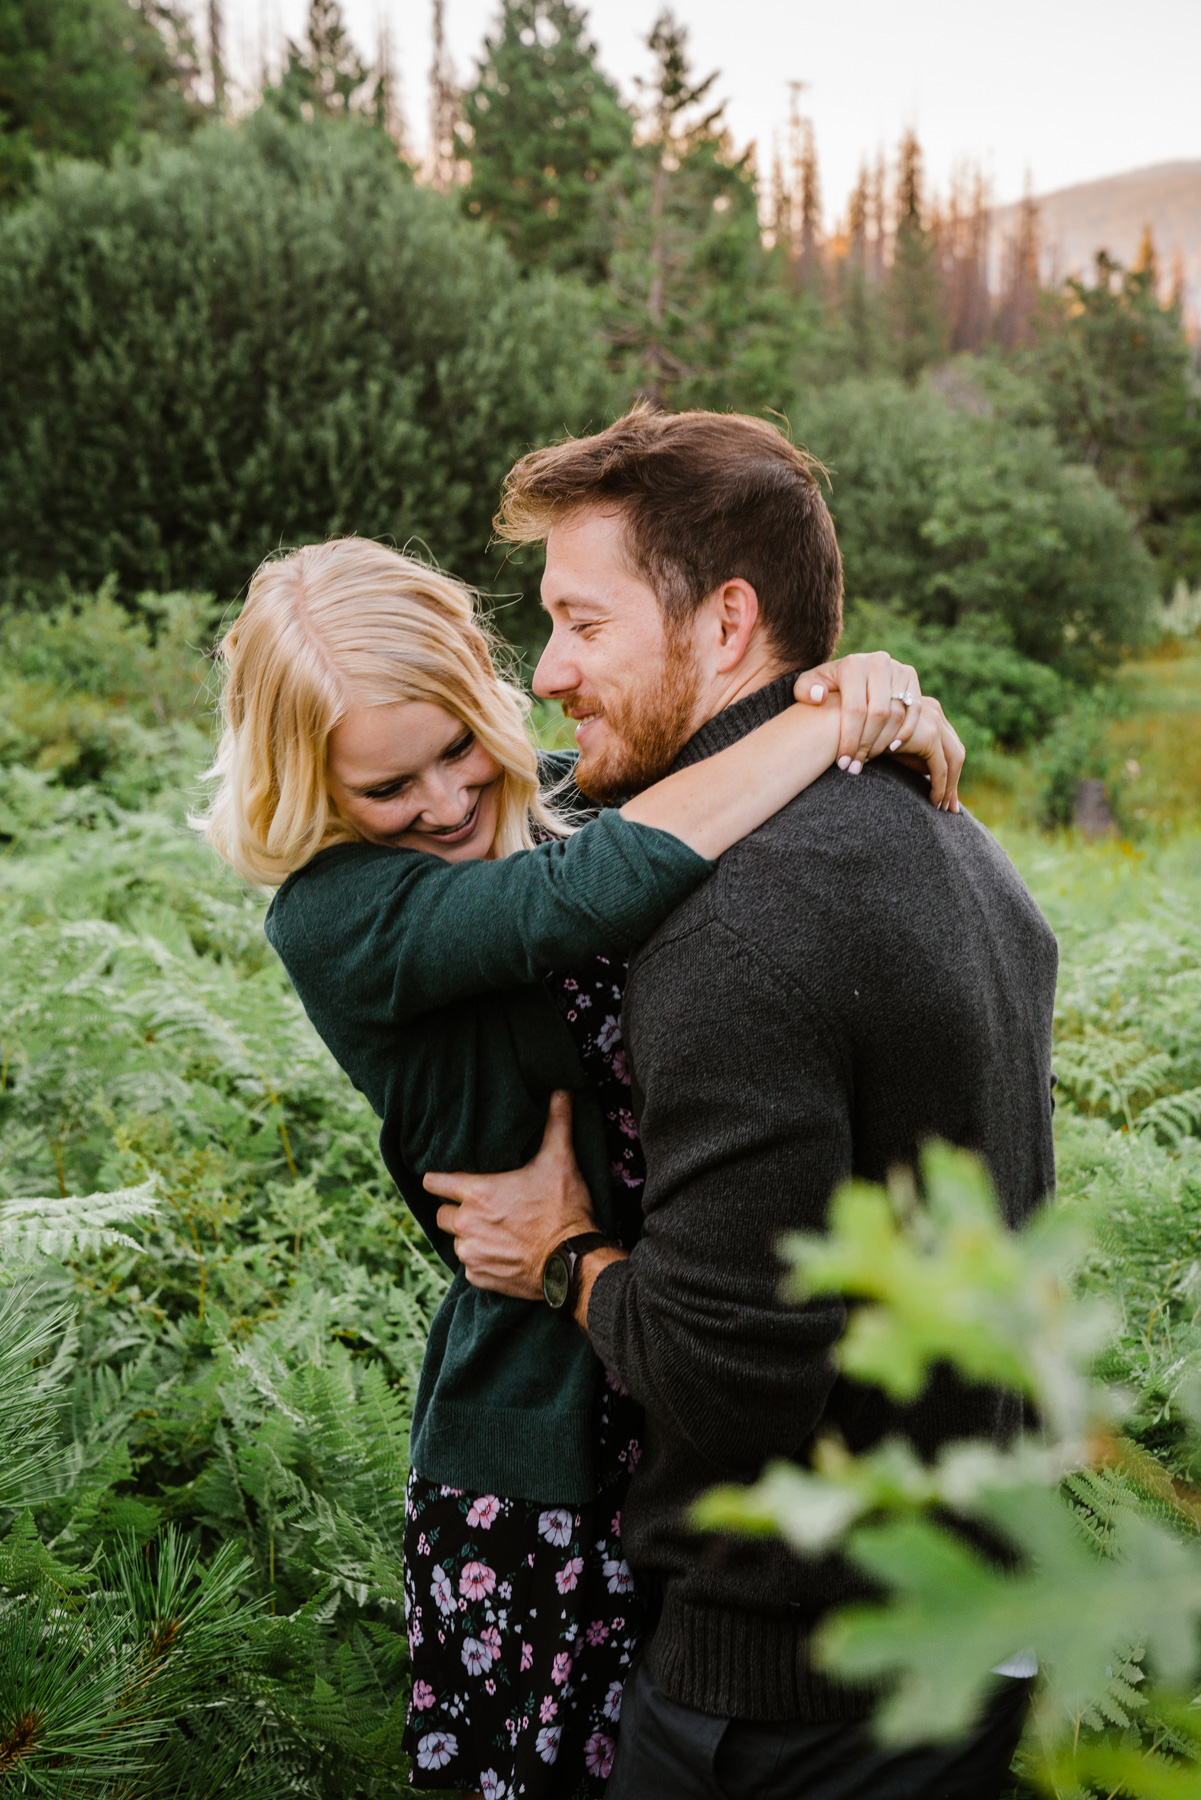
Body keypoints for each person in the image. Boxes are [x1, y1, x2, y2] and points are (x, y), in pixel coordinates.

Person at [197, 534, 963, 1800]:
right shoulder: (337, 916)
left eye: (459, 749)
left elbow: (693, 776)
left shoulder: (553, 800)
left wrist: (863, 693)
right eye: (388, 790)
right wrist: (823, 728)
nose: (445, 805)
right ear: (312, 789)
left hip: (694, 1368)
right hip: (543, 1453)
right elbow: (588, 900)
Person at [427, 407, 1060, 1800]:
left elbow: (729, 1368)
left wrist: (560, 1256)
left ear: (724, 625)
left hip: (789, 1693)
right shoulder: (952, 838)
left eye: (583, 626)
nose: (547, 674)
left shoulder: (737, 926)